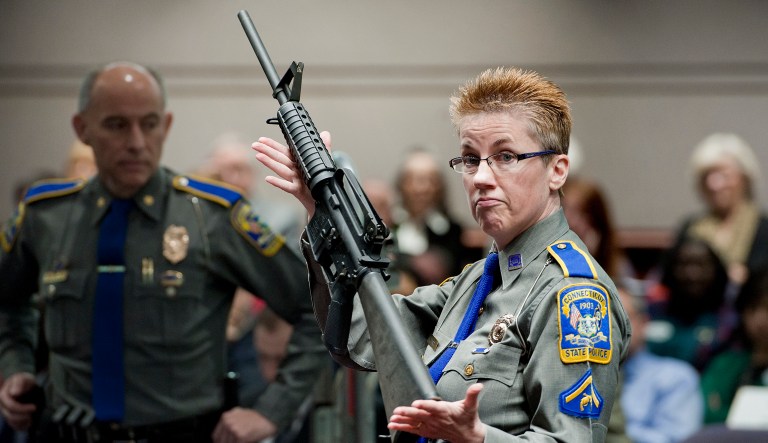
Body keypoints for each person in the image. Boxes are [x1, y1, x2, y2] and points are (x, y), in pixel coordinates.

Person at [254, 66, 631, 442]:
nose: (481, 177)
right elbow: (362, 337)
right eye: (470, 158)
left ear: (557, 170)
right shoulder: (478, 281)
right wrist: (320, 213)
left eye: (506, 156)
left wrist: (478, 438)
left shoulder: (574, 294)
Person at [0, 62, 325, 443]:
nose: (137, 141)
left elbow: (315, 309)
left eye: (149, 123)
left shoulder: (211, 216)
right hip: (63, 431)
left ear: (166, 125)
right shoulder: (45, 217)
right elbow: (8, 300)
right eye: (117, 125)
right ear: (82, 128)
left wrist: (272, 411)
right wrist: (16, 366)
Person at [674, 132, 768, 285]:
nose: (714, 184)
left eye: (724, 175)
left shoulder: (763, 228)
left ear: (744, 179)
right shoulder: (690, 228)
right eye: (706, 177)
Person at [618, 282, 703, 442]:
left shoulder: (674, 377)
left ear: (643, 323)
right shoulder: (577, 376)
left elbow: (677, 440)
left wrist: (603, 427)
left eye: (619, 318)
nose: (609, 328)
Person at [392, 148, 485, 285]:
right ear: (401, 184)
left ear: (440, 187)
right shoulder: (387, 229)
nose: (422, 188)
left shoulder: (458, 234)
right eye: (414, 179)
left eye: (431, 180)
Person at [644, 236, 735, 372]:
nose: (692, 274)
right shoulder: (650, 314)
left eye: (701, 265)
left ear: (716, 270)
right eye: (684, 264)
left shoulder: (729, 321)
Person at [700, 265, 768, 424]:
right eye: (752, 308)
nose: (760, 320)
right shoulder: (725, 364)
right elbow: (710, 414)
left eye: (767, 308)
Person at [562, 177, 632, 280]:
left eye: (577, 211)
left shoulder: (616, 263)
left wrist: (589, 255)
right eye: (564, 208)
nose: (568, 218)